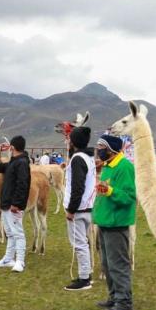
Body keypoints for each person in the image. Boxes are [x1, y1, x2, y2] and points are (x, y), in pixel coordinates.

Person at [93, 134, 137, 310]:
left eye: (101, 147)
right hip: (104, 221)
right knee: (107, 263)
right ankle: (114, 296)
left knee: (118, 264)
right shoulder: (108, 166)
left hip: (116, 223)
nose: (98, 151)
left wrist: (110, 191)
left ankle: (124, 301)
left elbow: (129, 197)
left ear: (110, 150)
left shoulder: (124, 166)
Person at [0, 135, 31, 272]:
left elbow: (22, 185)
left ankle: (20, 261)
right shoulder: (12, 163)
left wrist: (16, 204)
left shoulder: (22, 163)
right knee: (10, 233)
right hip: (6, 204)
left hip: (13, 205)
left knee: (18, 233)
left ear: (12, 147)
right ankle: (8, 259)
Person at [63, 125, 96, 291]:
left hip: (78, 209)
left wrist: (71, 209)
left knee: (79, 244)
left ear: (74, 141)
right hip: (87, 207)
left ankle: (84, 279)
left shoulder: (77, 159)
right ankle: (86, 273)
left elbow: (77, 187)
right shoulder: (88, 157)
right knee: (84, 242)